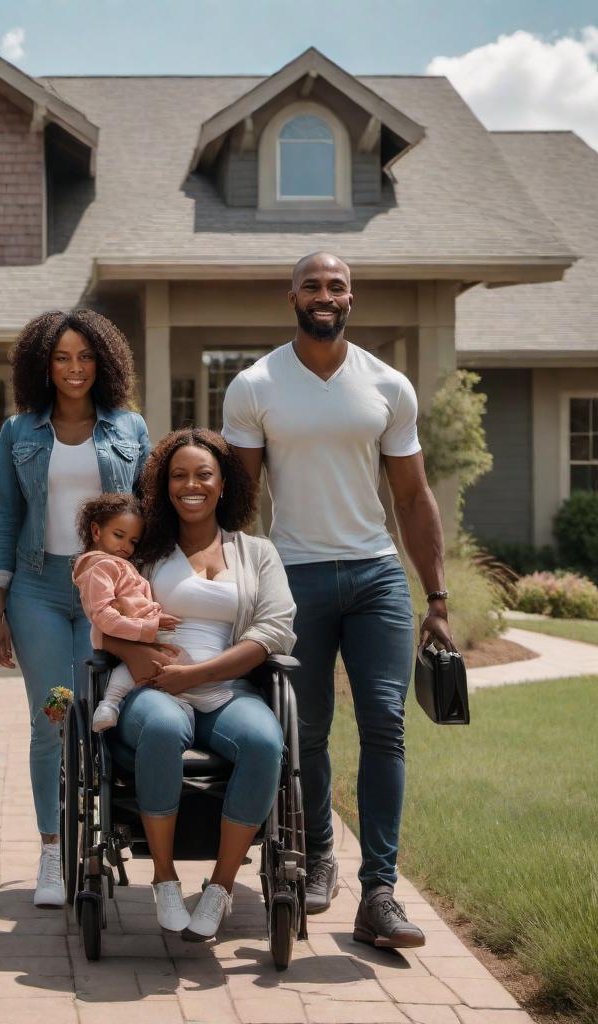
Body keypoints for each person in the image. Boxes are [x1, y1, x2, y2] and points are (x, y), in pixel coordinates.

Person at [222, 251, 455, 950]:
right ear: (291, 295)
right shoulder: (255, 384)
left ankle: (379, 892)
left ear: (352, 297)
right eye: (313, 285)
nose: (326, 295)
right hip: (294, 577)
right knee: (310, 729)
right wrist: (241, 588)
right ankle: (319, 851)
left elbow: (412, 497)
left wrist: (436, 596)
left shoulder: (387, 386)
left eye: (337, 286)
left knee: (385, 722)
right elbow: (241, 503)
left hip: (376, 575)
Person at [102, 429, 296, 940]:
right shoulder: (141, 551)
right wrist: (138, 656)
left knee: (263, 741)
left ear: (224, 484)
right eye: (179, 475)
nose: (192, 484)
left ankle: (219, 889)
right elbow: (101, 621)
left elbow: (274, 629)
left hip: (226, 689)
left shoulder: (256, 552)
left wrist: (199, 674)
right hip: (154, 690)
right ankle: (165, 879)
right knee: (163, 728)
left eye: (203, 474)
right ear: (163, 487)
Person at [0, 309, 149, 908]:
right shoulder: (18, 433)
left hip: (104, 594)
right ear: (43, 366)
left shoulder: (130, 427)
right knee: (53, 717)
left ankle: (97, 839)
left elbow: (146, 518)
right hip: (38, 592)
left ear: (102, 362)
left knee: (98, 712)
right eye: (62, 358)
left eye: (85, 356)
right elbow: (5, 517)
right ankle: (53, 851)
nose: (75, 368)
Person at [71, 493, 183, 731]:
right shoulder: (100, 567)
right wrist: (148, 627)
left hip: (137, 629)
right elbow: (102, 615)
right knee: (149, 663)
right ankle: (109, 704)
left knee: (172, 660)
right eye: (119, 536)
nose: (126, 546)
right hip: (122, 635)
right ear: (96, 531)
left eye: (133, 541)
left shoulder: (116, 564)